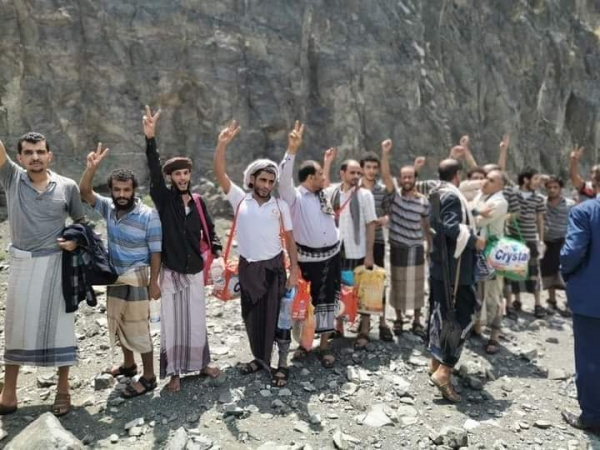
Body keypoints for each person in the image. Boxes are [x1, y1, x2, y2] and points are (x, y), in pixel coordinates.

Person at [0, 133, 85, 416]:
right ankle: (9, 393)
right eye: (28, 152)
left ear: (50, 155)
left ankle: (63, 390)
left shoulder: (67, 186)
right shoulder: (11, 178)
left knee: (62, 328)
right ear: (19, 157)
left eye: (39, 151)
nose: (35, 157)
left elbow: (81, 223)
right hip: (22, 264)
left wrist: (74, 241)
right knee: (15, 327)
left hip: (57, 265)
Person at [213, 120, 299, 387]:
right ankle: (260, 359)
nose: (267, 184)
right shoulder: (240, 200)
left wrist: (294, 270)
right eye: (262, 179)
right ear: (252, 179)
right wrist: (222, 144)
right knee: (251, 317)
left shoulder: (280, 206)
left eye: (271, 181)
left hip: (274, 268)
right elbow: (220, 172)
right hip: (248, 268)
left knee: (279, 316)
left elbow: (290, 239)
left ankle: (282, 364)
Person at [142, 106, 222, 392]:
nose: (182, 177)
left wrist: (217, 251)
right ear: (171, 178)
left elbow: (210, 230)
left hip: (195, 271)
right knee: (173, 323)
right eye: (177, 174)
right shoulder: (164, 200)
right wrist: (150, 138)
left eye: (186, 173)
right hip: (172, 271)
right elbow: (154, 171)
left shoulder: (198, 201)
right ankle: (174, 372)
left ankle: (202, 364)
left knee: (197, 320)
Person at [79, 144, 162, 398]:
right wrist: (91, 169)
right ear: (112, 190)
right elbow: (85, 192)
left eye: (126, 190)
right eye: (117, 190)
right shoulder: (108, 208)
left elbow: (156, 252)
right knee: (118, 323)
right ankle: (129, 365)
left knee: (138, 328)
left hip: (137, 279)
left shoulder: (148, 216)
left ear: (134, 190)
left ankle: (149, 377)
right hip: (115, 278)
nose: (122, 194)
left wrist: (154, 283)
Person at [279, 121, 339, 368]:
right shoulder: (295, 198)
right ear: (310, 178)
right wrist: (291, 150)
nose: (325, 178)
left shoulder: (322, 194)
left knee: (327, 302)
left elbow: (327, 184)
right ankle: (304, 345)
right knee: (303, 302)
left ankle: (324, 345)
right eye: (321, 174)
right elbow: (283, 181)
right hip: (306, 260)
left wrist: (327, 163)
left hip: (331, 257)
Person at [427, 159, 485, 403]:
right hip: (456, 271)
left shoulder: (437, 192)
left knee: (441, 315)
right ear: (458, 175)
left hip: (441, 267)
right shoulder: (451, 195)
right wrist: (474, 240)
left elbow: (445, 221)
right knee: (462, 317)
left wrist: (476, 214)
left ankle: (435, 363)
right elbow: (450, 226)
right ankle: (444, 371)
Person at [560, 171, 600, 435]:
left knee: (590, 359)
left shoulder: (585, 211)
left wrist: (569, 275)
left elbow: (572, 252)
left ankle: (593, 417)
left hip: (592, 298)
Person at [380, 140, 431, 337]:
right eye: (404, 177)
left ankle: (417, 320)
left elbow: (426, 224)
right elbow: (386, 175)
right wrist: (385, 153)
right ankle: (399, 319)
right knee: (398, 284)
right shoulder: (395, 196)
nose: (407, 180)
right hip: (398, 246)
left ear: (415, 179)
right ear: (400, 179)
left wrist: (429, 245)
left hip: (416, 247)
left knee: (417, 285)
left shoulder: (423, 201)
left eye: (410, 176)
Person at [471, 169, 508, 354]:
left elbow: (477, 222)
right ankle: (477, 326)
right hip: (479, 251)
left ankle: (494, 335)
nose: (485, 181)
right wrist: (475, 210)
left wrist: (473, 211)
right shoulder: (481, 195)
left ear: (500, 185)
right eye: (486, 178)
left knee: (494, 295)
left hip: (493, 253)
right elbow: (472, 213)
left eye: (491, 180)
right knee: (478, 291)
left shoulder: (500, 202)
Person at [357, 152, 393, 341]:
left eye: (374, 167)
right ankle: (364, 323)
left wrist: (385, 219)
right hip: (358, 243)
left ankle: (383, 322)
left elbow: (388, 211)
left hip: (378, 240)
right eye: (368, 167)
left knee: (379, 280)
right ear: (362, 169)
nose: (371, 171)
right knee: (362, 283)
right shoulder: (355, 188)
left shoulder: (382, 190)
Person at [504, 168, 546, 318]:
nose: (538, 182)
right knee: (511, 272)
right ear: (526, 180)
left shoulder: (539, 198)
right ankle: (513, 303)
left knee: (533, 273)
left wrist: (541, 240)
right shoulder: (512, 193)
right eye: (535, 179)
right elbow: (502, 171)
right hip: (512, 238)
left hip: (530, 239)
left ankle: (538, 304)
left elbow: (540, 220)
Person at [541, 176, 574, 316]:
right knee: (548, 272)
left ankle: (570, 303)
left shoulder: (570, 204)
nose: (552, 190)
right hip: (547, 242)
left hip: (563, 241)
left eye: (555, 187)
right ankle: (552, 301)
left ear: (561, 189)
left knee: (566, 273)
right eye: (549, 187)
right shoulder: (542, 203)